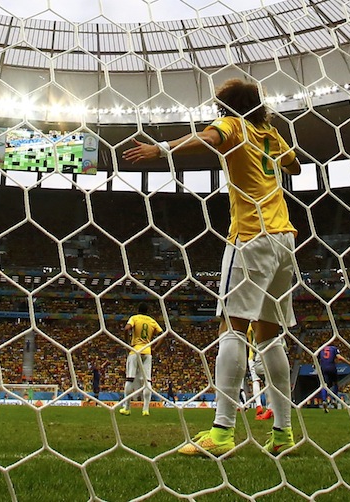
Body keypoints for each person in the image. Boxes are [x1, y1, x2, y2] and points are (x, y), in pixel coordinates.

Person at [124, 78, 301, 456]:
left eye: (220, 105)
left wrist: (161, 148)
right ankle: (283, 435)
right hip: (285, 239)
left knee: (232, 329)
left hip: (251, 236)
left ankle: (221, 435)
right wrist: (273, 155)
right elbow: (296, 167)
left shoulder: (233, 126)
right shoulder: (269, 131)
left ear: (229, 108)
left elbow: (208, 138)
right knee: (270, 336)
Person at [118, 302, 163, 417]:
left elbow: (126, 329)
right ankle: (145, 410)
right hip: (147, 352)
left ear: (138, 310)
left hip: (135, 351)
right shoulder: (151, 321)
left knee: (130, 379)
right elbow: (163, 334)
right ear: (147, 311)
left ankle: (127, 408)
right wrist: (156, 348)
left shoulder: (134, 318)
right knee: (147, 381)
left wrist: (127, 343)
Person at [319, 342, 350, 413]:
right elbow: (339, 357)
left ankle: (324, 400)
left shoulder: (321, 349)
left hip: (323, 368)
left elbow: (316, 358)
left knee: (324, 385)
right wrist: (349, 363)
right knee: (335, 383)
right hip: (331, 367)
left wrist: (314, 365)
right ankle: (334, 399)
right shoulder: (333, 348)